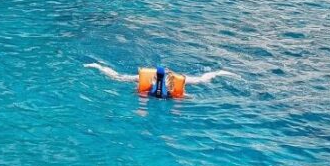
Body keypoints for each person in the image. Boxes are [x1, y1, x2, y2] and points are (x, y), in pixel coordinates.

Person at [84, 62, 236, 99]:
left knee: (202, 81)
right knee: (121, 78)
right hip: (158, 87)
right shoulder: (142, 79)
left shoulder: (181, 82)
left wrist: (219, 73)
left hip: (170, 85)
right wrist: (97, 66)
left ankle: (221, 70)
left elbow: (205, 78)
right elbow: (116, 76)